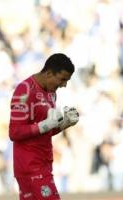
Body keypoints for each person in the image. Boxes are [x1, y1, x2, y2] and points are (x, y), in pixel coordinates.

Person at [9, 53, 79, 200]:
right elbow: (14, 132)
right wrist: (42, 126)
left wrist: (64, 123)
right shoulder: (25, 90)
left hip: (44, 163)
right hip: (30, 166)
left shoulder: (52, 93)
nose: (64, 85)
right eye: (62, 79)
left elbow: (47, 130)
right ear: (48, 73)